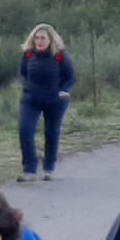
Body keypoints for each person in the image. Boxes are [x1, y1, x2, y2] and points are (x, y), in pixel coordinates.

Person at [16, 24, 76, 183]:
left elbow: (70, 77)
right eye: (36, 38)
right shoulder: (28, 54)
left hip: (55, 100)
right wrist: (27, 87)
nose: (39, 41)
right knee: (25, 130)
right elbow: (22, 73)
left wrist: (63, 91)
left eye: (43, 38)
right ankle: (29, 169)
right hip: (31, 99)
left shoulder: (60, 56)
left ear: (50, 39)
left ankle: (49, 167)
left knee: (51, 132)